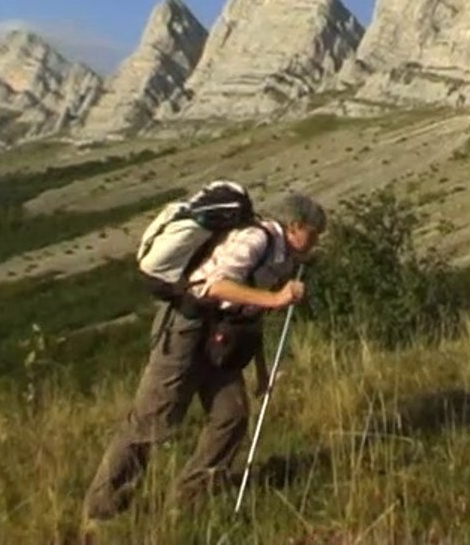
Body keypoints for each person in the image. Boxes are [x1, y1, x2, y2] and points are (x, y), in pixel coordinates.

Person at [82, 191, 327, 526]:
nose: (316, 241)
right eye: (314, 233)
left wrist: (262, 371)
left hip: (220, 339)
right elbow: (214, 286)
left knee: (231, 415)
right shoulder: (256, 239)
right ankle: (101, 510)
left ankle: (187, 499)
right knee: (152, 419)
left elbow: (250, 315)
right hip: (187, 328)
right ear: (296, 226)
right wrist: (275, 299)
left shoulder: (284, 259)